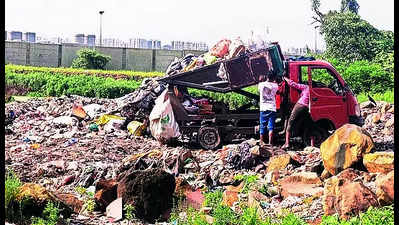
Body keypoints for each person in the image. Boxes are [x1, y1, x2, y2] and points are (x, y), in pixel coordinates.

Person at [281, 77, 315, 149]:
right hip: (307, 108)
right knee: (310, 125)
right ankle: (312, 145)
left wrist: (285, 79)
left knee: (290, 122)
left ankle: (287, 143)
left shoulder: (306, 87)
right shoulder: (314, 90)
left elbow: (294, 84)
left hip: (300, 105)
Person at [258, 73, 279, 147]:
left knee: (262, 126)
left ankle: (261, 142)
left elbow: (259, 91)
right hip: (272, 108)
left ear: (267, 77)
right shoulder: (275, 86)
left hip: (263, 108)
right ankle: (270, 144)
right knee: (271, 127)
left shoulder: (261, 85)